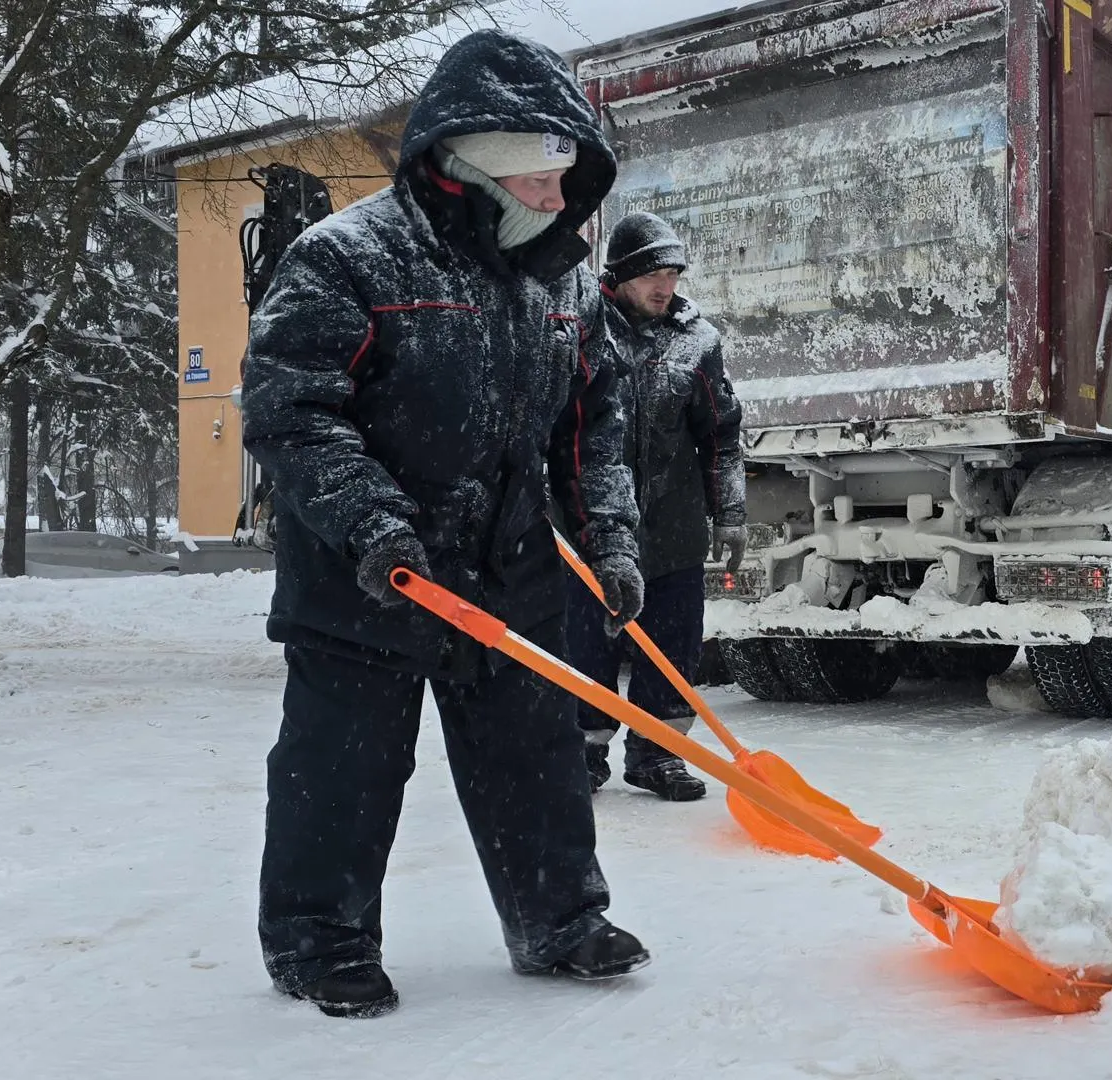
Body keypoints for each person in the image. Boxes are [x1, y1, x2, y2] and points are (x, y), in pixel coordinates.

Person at [240, 30, 652, 1019]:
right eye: (544, 182)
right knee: (342, 766)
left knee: (536, 756)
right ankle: (319, 939)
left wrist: (613, 541)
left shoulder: (560, 285)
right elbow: (292, 412)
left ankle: (559, 919)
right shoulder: (343, 259)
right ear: (475, 170)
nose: (564, 204)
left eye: (567, 181)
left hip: (503, 563)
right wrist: (374, 525)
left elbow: (592, 429)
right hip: (365, 572)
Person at [567, 211, 745, 802]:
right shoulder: (580, 331)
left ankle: (658, 754)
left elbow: (721, 433)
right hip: (588, 530)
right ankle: (583, 751)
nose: (663, 286)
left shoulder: (698, 342)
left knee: (672, 649)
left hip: (673, 531)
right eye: (650, 275)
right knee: (584, 646)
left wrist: (731, 512)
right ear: (619, 275)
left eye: (671, 273)